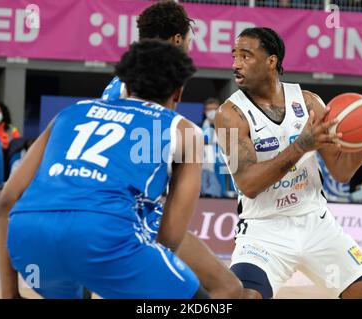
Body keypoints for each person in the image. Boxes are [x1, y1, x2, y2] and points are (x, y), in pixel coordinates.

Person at [0, 39, 238, 299]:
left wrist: (10, 294)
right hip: (103, 235)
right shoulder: (184, 130)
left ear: (126, 84)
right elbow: (170, 237)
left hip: (30, 240)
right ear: (178, 92)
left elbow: (7, 200)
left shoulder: (70, 112)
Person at [215, 27, 362, 299]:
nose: (236, 64)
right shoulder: (230, 114)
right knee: (246, 297)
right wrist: (301, 145)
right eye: (234, 56)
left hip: (315, 222)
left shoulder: (308, 103)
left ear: (271, 61)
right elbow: (247, 184)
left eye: (245, 56)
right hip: (264, 230)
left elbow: (341, 173)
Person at [99, 0, 242, 298]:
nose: (190, 46)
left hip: (96, 202)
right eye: (189, 39)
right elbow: (145, 157)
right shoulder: (157, 80)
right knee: (227, 288)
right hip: (128, 211)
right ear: (178, 39)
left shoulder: (120, 80)